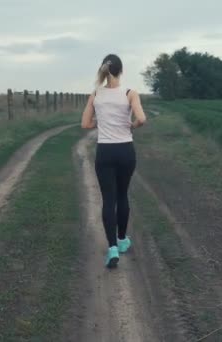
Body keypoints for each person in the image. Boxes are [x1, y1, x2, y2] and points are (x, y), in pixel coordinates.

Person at [81, 54, 147, 268]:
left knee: (108, 200)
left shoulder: (95, 94)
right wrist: (132, 126)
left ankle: (111, 250)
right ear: (121, 71)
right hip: (125, 151)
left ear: (104, 70)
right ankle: (121, 240)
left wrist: (103, 123)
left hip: (105, 152)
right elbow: (142, 119)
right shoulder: (130, 93)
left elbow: (85, 124)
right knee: (122, 195)